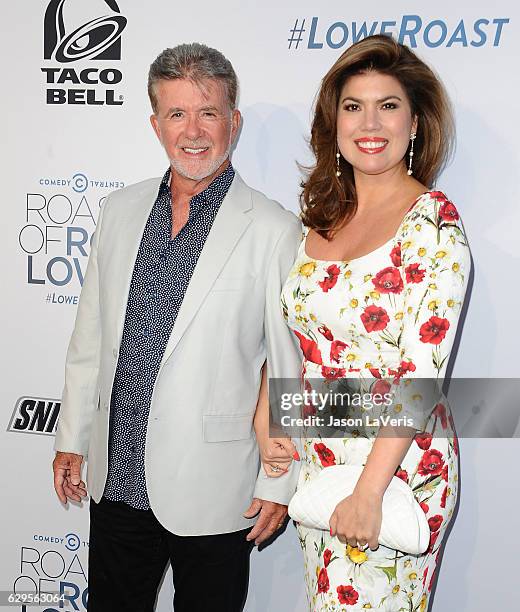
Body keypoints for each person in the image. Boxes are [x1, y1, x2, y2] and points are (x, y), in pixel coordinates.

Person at [51, 42, 302, 612]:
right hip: (117, 483)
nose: (194, 131)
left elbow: (288, 370)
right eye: (177, 113)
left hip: (216, 490)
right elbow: (88, 338)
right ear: (155, 123)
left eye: (208, 112)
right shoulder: (118, 211)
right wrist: (71, 439)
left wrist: (278, 480)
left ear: (233, 122)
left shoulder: (273, 229)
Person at [255, 34, 470, 610]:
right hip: (320, 465)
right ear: (335, 123)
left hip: (394, 475)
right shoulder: (321, 220)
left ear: (416, 122)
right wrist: (269, 412)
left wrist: (369, 492)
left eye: (389, 105)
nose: (369, 122)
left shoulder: (435, 227)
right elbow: (296, 338)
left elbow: (419, 377)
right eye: (353, 106)